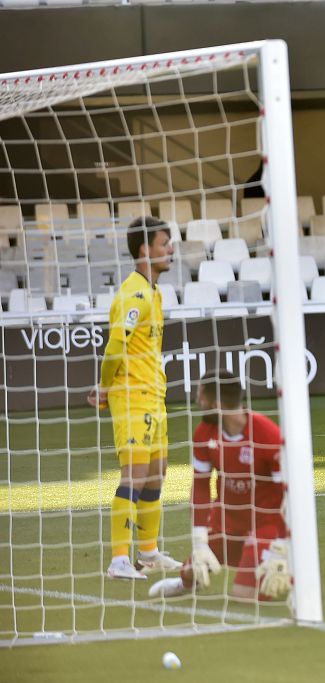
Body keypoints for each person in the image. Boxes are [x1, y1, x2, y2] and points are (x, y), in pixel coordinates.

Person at [87, 216, 182, 580]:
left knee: (157, 475)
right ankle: (119, 560)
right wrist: (105, 386)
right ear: (144, 250)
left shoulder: (154, 291)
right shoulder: (134, 293)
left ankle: (149, 552)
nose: (169, 249)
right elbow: (114, 346)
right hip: (132, 398)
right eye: (163, 243)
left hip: (154, 397)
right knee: (135, 475)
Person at [149, 372, 291, 601]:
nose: (197, 401)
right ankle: (183, 584)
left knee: (244, 595)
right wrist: (199, 541)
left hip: (266, 523)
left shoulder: (266, 434)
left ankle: (293, 569)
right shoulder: (204, 433)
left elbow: (288, 493)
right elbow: (201, 488)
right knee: (190, 571)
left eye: (200, 396)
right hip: (227, 522)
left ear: (215, 404)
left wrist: (282, 545)